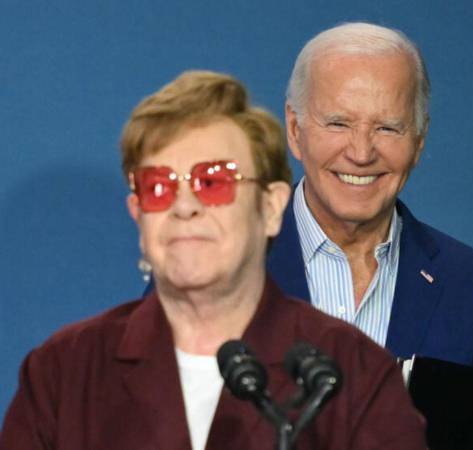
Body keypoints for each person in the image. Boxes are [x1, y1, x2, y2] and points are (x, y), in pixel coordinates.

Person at [0, 71, 426, 449]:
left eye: (212, 181)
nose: (183, 207)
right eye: (159, 187)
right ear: (138, 213)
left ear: (271, 207)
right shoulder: (65, 370)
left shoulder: (350, 372)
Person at [267, 22, 473, 449]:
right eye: (338, 123)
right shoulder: (212, 270)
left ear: (419, 139)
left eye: (388, 128)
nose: (361, 152)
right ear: (294, 128)